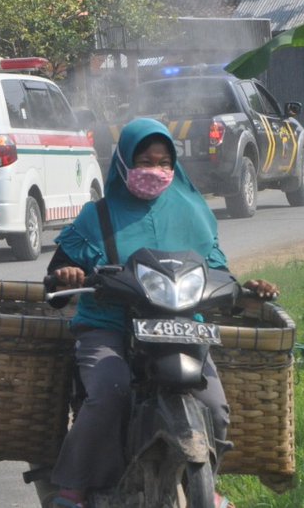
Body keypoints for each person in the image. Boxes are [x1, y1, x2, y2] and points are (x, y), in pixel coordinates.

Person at [47, 117, 279, 508]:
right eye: (144, 161)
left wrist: (245, 289)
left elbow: (218, 271)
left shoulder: (195, 212)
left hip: (181, 328)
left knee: (216, 407)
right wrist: (65, 274)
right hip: (109, 327)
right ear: (123, 163)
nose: (155, 171)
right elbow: (55, 284)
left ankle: (207, 481)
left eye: (163, 162)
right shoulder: (97, 216)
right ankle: (74, 486)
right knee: (110, 389)